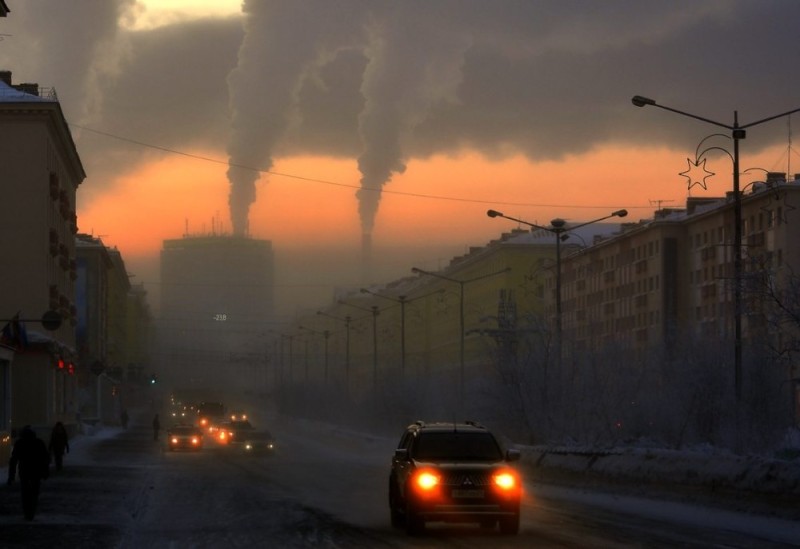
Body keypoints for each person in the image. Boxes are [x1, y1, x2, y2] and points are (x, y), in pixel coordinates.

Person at [7, 425, 50, 521]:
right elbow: (45, 458)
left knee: (25, 493)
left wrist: (11, 476)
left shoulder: (20, 443)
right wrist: (45, 471)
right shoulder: (38, 442)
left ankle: (27, 512)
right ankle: (32, 511)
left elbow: (13, 460)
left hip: (24, 471)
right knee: (34, 493)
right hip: (36, 471)